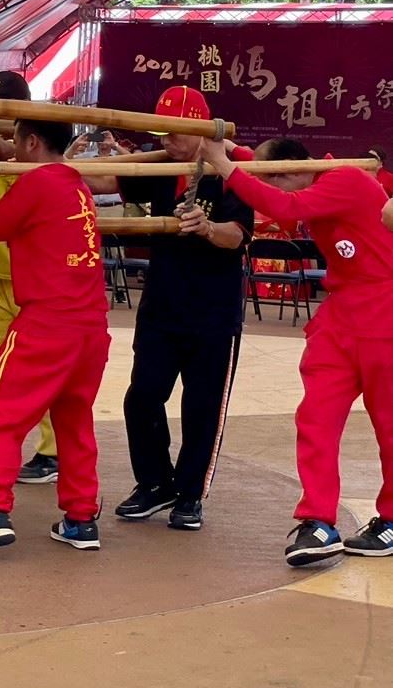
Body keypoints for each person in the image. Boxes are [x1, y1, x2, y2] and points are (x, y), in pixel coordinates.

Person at [201, 135, 393, 566]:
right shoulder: (307, 175)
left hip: (385, 310)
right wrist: (232, 151)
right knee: (316, 419)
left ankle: (392, 517)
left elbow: (285, 205)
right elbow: (274, 178)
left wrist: (226, 166)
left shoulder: (344, 179)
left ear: (290, 170)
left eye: (273, 179)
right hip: (341, 316)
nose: (267, 193)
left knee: (390, 426)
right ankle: (318, 520)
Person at [0, 117, 110, 555]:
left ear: (32, 141)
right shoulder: (76, 185)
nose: (11, 148)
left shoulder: (37, 183)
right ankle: (81, 518)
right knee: (74, 423)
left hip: (48, 323)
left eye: (14, 140)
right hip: (91, 327)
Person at [97, 87, 252, 532]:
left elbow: (238, 235)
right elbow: (106, 182)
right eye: (162, 131)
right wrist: (58, 162)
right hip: (162, 304)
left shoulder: (232, 167)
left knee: (202, 407)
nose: (168, 140)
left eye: (176, 132)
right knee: (142, 397)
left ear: (200, 128)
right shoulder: (159, 165)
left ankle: (189, 494)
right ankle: (154, 482)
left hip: (213, 312)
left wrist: (207, 228)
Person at [0, 72, 59, 483]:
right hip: (0, 277)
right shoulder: (2, 143)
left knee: (49, 370)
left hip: (40, 285)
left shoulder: (28, 151)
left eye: (0, 109)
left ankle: (52, 452)